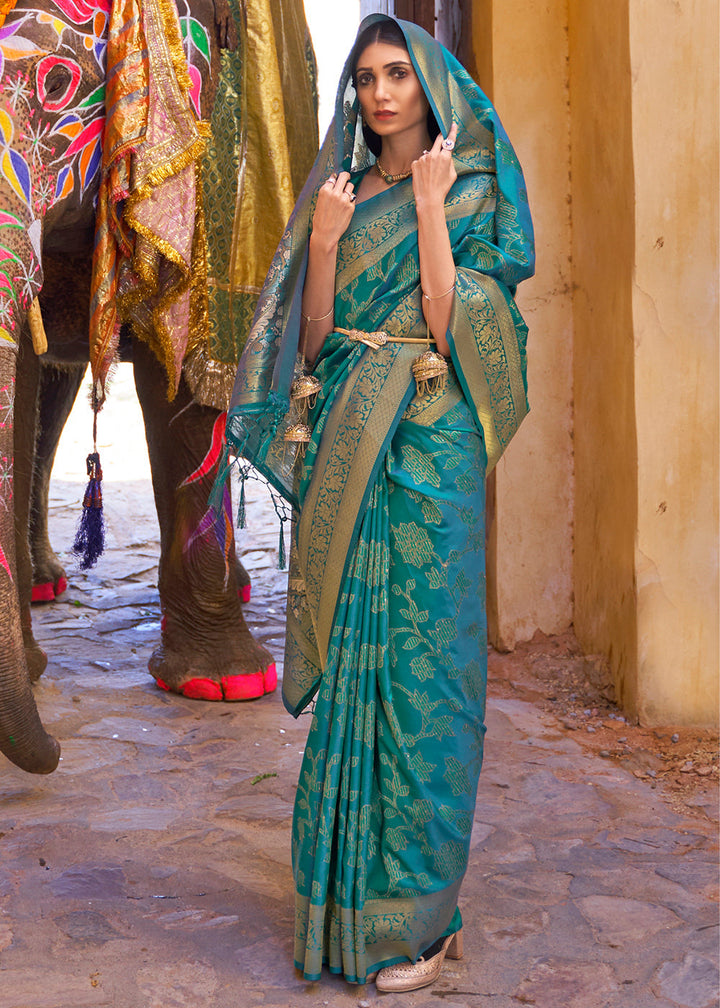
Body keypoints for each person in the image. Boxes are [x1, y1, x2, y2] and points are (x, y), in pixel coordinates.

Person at [221, 12, 535, 993]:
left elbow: (452, 320)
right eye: (366, 79)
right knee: (362, 675)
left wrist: (431, 208)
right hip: (353, 439)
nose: (381, 93)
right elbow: (314, 346)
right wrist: (323, 244)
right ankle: (353, 909)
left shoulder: (471, 189)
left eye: (398, 74)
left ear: (430, 85)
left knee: (425, 677)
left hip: (431, 452)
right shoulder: (344, 196)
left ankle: (423, 923)